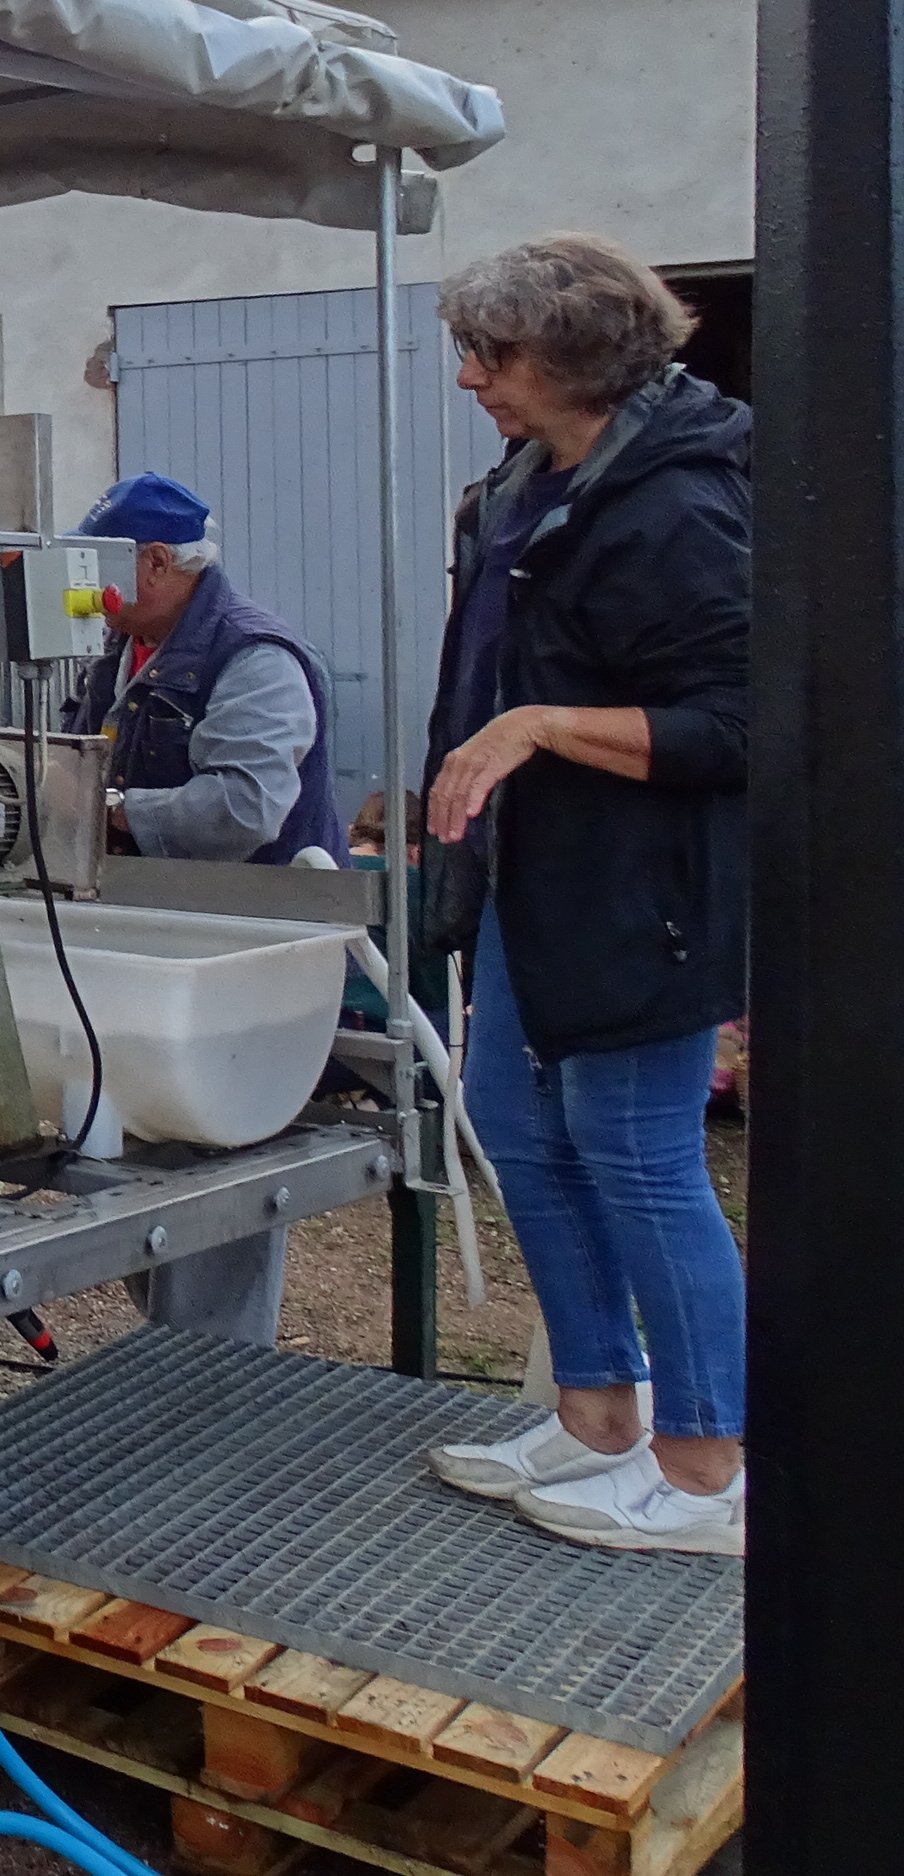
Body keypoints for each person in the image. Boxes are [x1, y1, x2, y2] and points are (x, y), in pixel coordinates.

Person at [417, 235, 749, 1558]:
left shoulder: (683, 502)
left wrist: (542, 726)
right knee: (514, 1118)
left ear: (571, 358)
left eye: (488, 355)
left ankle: (709, 1468)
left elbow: (744, 724)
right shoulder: (528, 483)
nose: (469, 379)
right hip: (534, 875)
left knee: (639, 1151)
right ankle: (601, 1415)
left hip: (643, 891)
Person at [62, 471, 347, 867]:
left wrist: (109, 808)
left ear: (157, 562)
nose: (84, 579)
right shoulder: (115, 649)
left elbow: (244, 808)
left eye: (96, 562)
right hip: (149, 896)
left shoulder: (255, 659)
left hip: (259, 902)